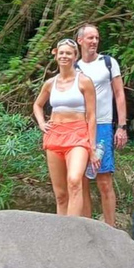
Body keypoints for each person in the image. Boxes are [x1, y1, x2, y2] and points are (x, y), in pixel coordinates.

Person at [33, 38, 99, 217]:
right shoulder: (50, 83)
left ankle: (72, 230)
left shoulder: (84, 81)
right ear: (56, 55)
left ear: (75, 56)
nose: (64, 56)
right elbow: (37, 105)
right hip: (55, 135)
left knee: (75, 180)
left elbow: (92, 116)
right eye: (61, 52)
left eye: (69, 53)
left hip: (78, 135)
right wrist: (41, 123)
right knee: (61, 194)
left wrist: (92, 147)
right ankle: (60, 234)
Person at [76, 24, 127, 227]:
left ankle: (111, 229)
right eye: (90, 38)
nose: (94, 41)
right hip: (79, 126)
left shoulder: (108, 62)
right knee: (81, 180)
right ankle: (88, 228)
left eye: (96, 38)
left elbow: (119, 94)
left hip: (103, 125)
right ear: (80, 40)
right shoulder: (74, 67)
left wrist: (121, 126)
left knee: (104, 179)